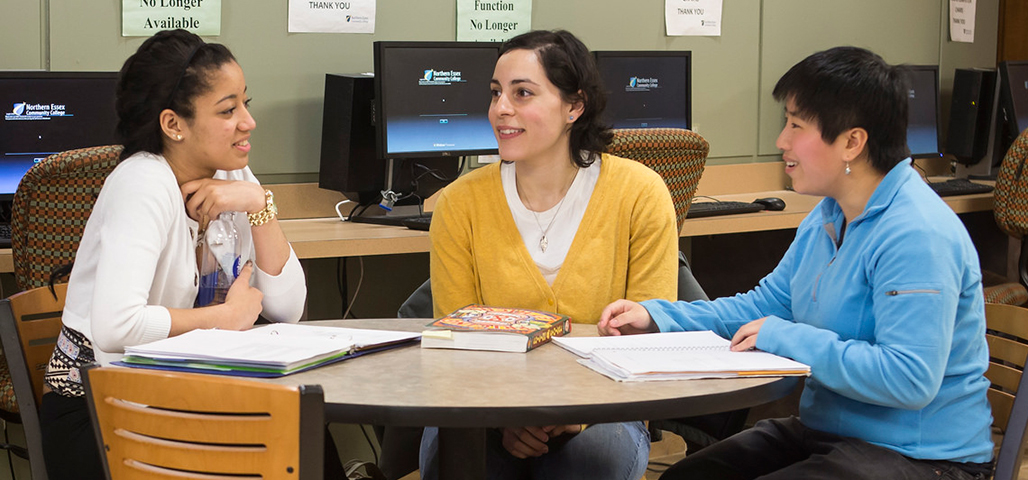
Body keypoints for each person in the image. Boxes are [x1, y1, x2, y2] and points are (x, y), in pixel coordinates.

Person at [599, 46, 995, 480]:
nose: (781, 141)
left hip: (923, 458)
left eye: (796, 125)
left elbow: (909, 379)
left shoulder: (917, 232)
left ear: (851, 142)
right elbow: (762, 307)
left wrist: (787, 337)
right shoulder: (828, 214)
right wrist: (658, 316)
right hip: (832, 435)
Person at [38, 29, 308, 480]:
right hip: (102, 413)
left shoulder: (233, 172)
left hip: (177, 395)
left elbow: (289, 307)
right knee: (283, 449)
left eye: (246, 103)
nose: (248, 121)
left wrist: (260, 205)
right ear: (173, 125)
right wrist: (225, 317)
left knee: (301, 437)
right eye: (228, 110)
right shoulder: (141, 183)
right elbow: (115, 327)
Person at [419, 30, 679, 480]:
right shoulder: (460, 203)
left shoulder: (639, 192)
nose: (501, 109)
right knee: (459, 458)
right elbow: (457, 345)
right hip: (483, 406)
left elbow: (648, 341)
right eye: (496, 93)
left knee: (585, 460)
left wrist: (573, 415)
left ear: (574, 107)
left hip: (606, 407)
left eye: (523, 93)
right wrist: (505, 417)